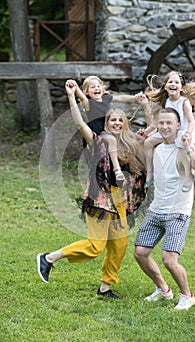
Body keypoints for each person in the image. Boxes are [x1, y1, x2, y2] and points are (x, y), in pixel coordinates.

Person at [37, 79, 147, 299]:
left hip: (119, 199)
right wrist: (71, 96)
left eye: (119, 120)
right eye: (112, 120)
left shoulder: (127, 143)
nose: (116, 123)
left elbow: (151, 134)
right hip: (100, 197)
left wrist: (145, 105)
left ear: (124, 123)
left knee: (120, 244)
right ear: (105, 122)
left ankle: (105, 287)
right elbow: (79, 122)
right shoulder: (96, 140)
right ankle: (49, 258)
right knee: (95, 246)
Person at [134, 107, 195, 310]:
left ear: (178, 125)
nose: (165, 126)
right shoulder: (156, 146)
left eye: (169, 123)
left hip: (178, 212)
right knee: (140, 252)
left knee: (169, 260)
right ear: (157, 125)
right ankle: (163, 290)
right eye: (161, 123)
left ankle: (187, 296)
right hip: (156, 209)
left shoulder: (186, 145)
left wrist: (188, 149)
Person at [143, 70, 195, 191]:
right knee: (148, 143)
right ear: (165, 86)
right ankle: (150, 172)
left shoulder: (183, 102)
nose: (173, 84)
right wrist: (146, 132)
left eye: (176, 82)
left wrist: (188, 133)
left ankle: (188, 176)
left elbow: (191, 121)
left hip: (183, 130)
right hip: (169, 132)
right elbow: (156, 122)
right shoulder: (165, 102)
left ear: (181, 87)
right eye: (170, 82)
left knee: (181, 145)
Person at [74, 75, 147, 181]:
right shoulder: (89, 103)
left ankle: (138, 166)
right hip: (97, 131)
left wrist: (135, 98)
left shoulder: (106, 97)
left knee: (128, 137)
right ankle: (117, 169)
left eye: (98, 86)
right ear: (87, 91)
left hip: (107, 128)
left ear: (102, 88)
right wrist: (75, 87)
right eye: (92, 87)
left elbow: (120, 98)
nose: (96, 89)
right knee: (112, 140)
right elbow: (81, 97)